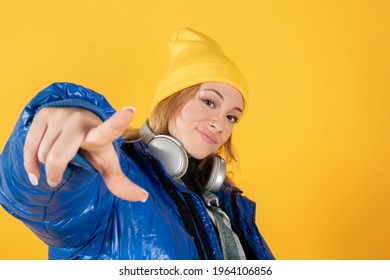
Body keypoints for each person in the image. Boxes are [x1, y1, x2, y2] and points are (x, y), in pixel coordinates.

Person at [0, 27, 274, 260]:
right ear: (171, 99)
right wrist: (68, 142)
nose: (220, 124)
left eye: (231, 117)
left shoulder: (225, 201)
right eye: (208, 102)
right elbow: (42, 200)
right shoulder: (114, 178)